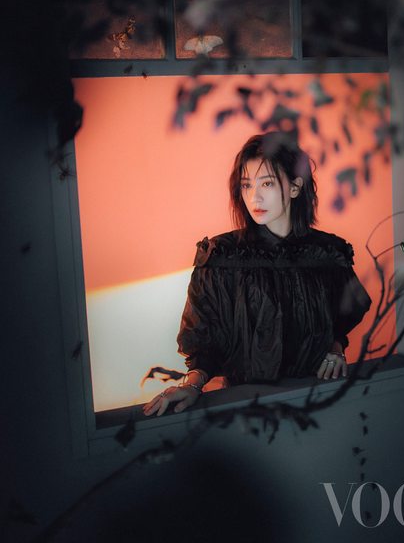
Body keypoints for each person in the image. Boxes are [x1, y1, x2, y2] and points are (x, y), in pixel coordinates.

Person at [143, 131, 371, 417]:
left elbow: (341, 319)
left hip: (318, 400)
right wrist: (192, 385)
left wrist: (336, 349)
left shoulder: (327, 253)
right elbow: (206, 342)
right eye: (246, 185)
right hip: (248, 409)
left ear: (295, 187)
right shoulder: (223, 257)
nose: (255, 196)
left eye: (267, 183)